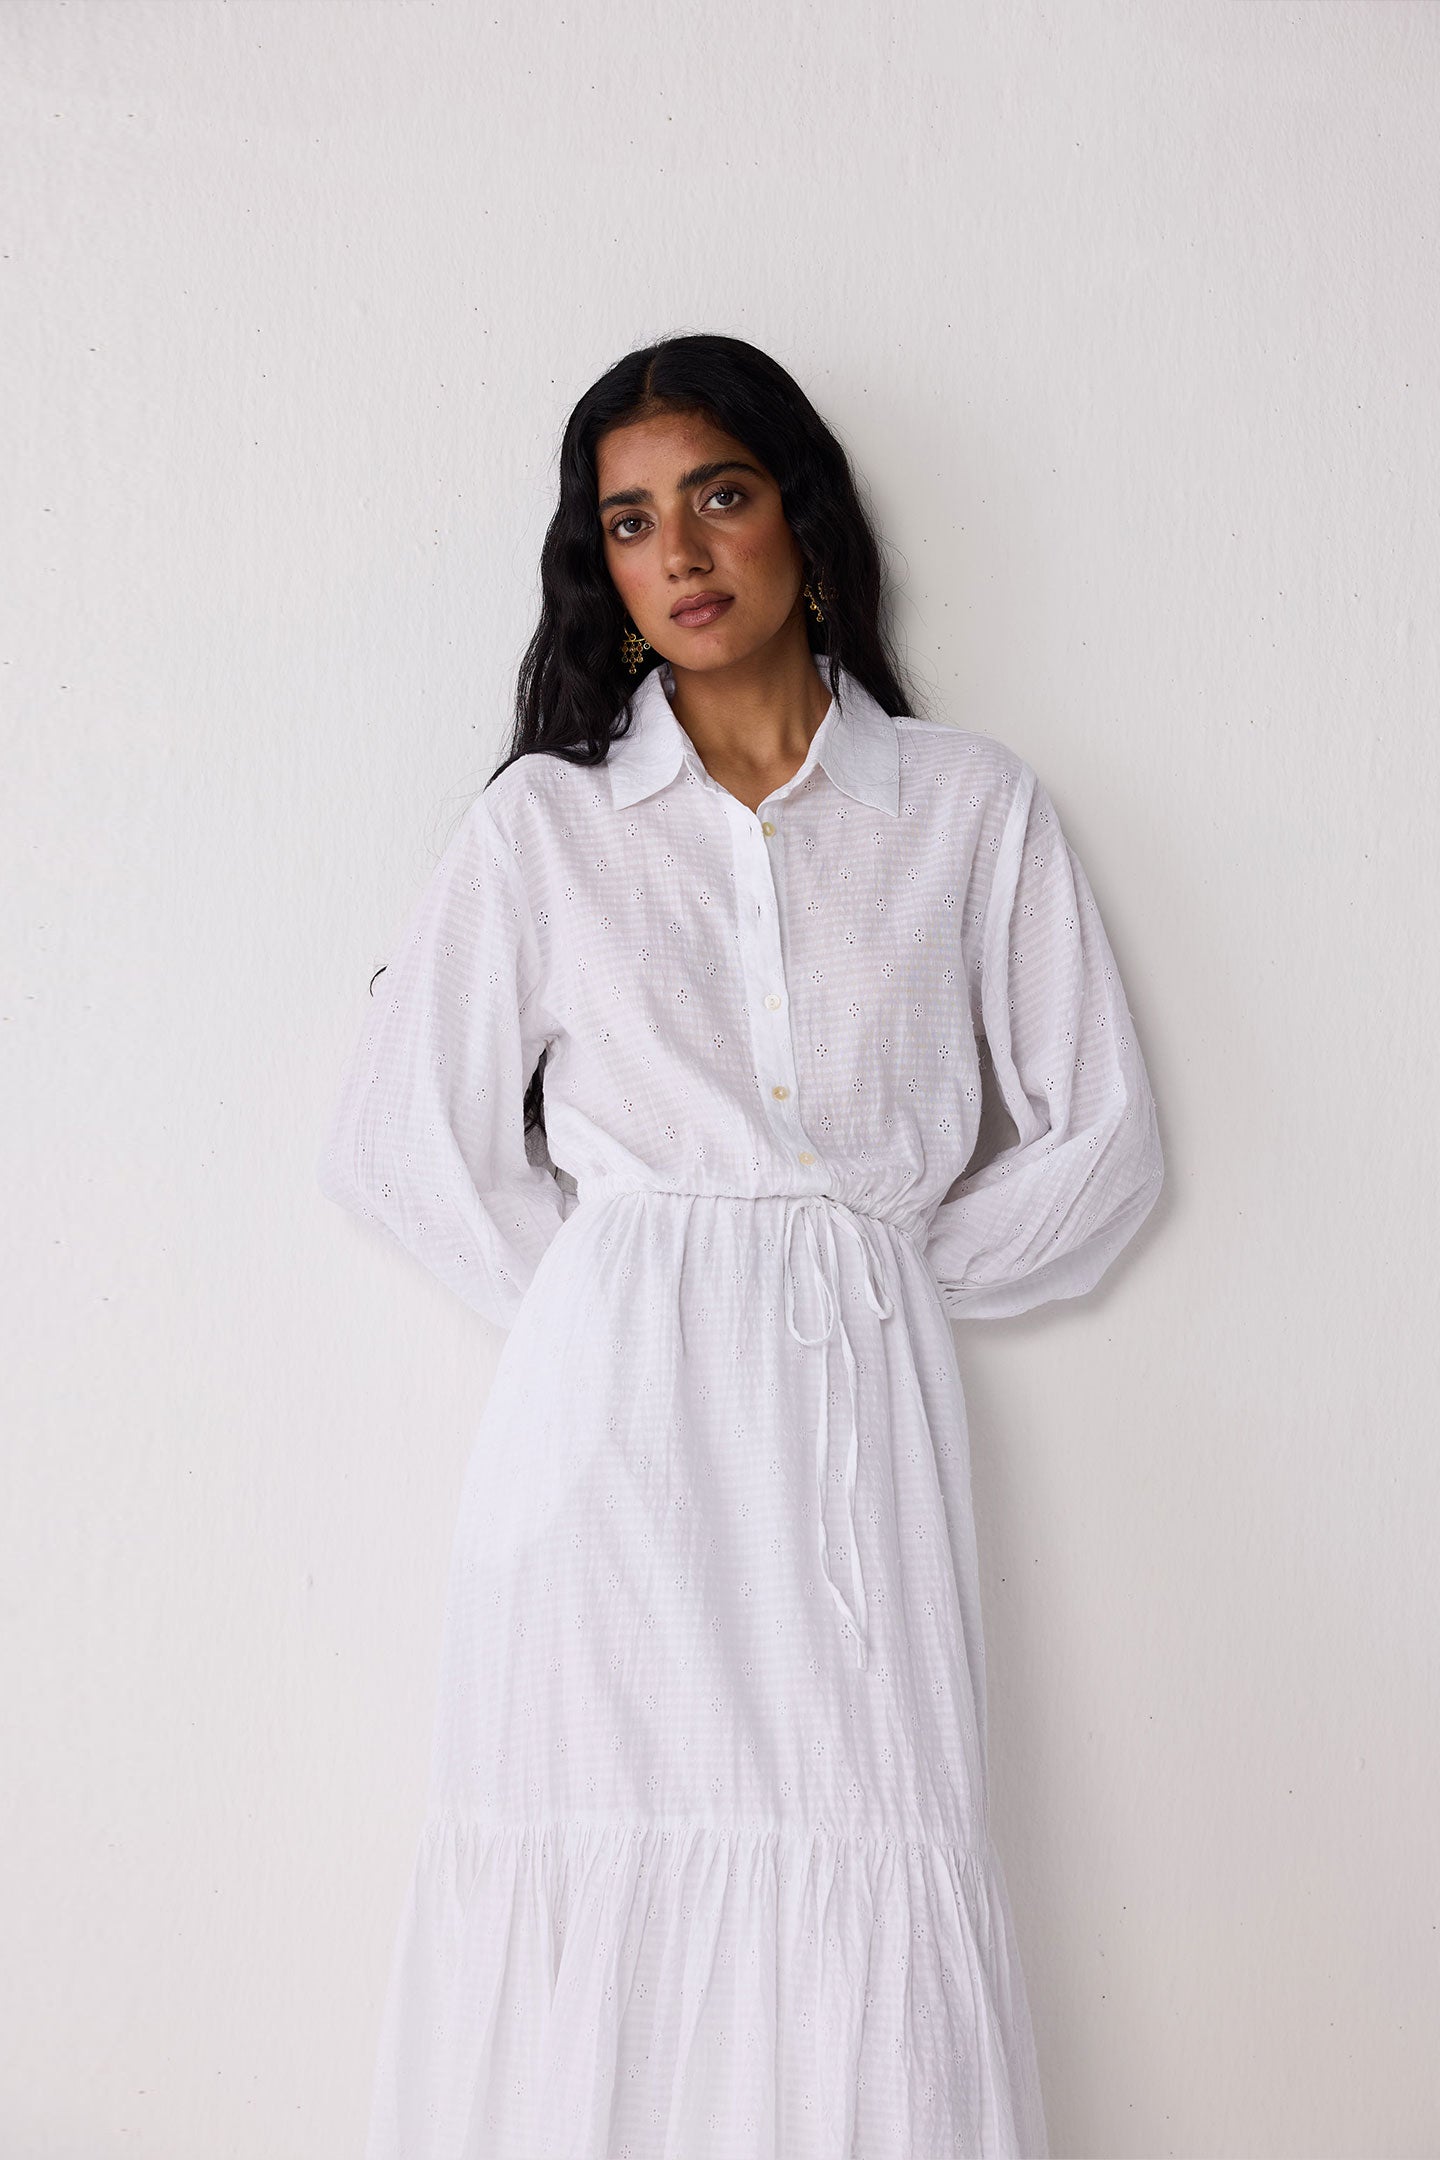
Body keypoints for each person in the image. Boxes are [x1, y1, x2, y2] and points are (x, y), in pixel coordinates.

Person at [316, 332, 1164, 2160]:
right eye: (630, 522)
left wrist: (869, 1281)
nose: (682, 552)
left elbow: (1101, 1140)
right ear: (600, 569)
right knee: (594, 1837)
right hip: (602, 1457)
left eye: (719, 494)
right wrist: (606, 1312)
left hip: (855, 1430)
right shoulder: (548, 827)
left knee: (869, 1835)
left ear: (805, 520)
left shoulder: (966, 809)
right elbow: (398, 1142)